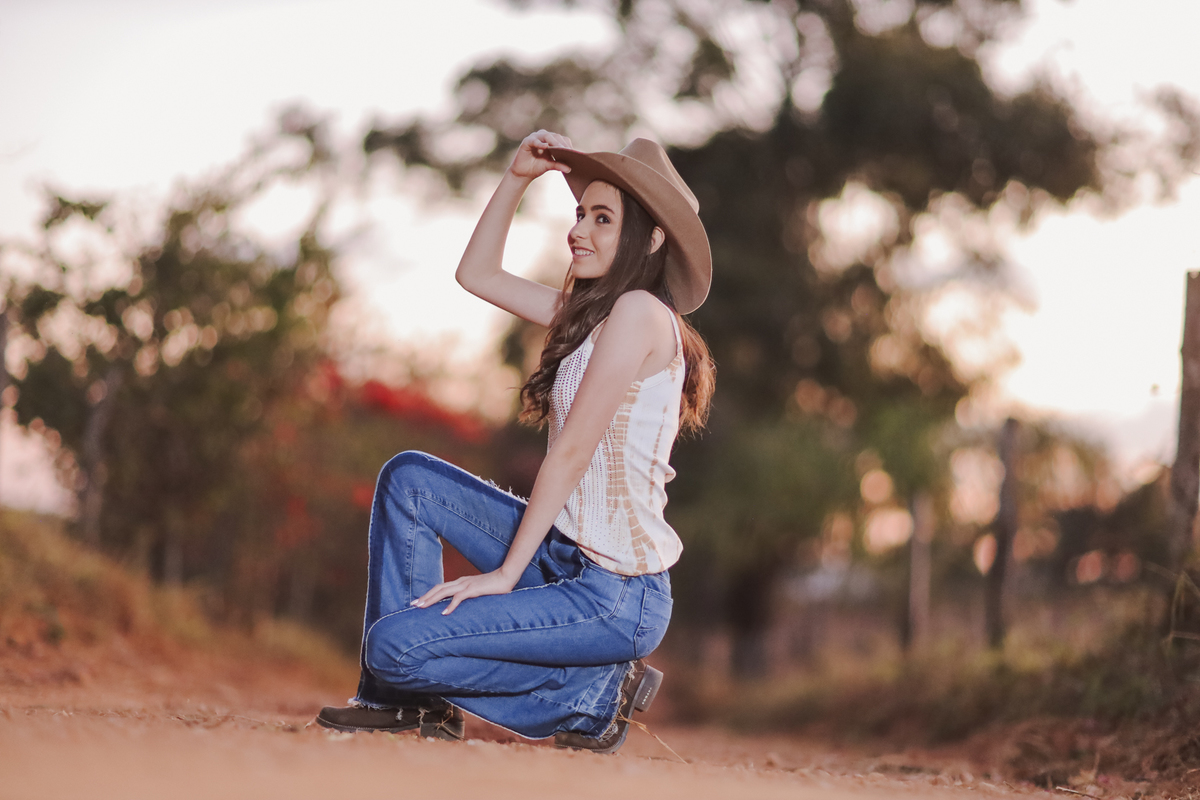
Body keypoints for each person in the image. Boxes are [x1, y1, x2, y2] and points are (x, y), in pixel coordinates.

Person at [315, 130, 714, 753]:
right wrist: (517, 177)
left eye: (602, 218)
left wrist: (504, 573)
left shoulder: (640, 313)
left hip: (615, 592)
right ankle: (403, 701)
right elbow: (476, 274)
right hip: (559, 553)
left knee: (392, 646)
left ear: (652, 237)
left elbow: (574, 449)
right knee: (410, 480)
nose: (578, 230)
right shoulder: (593, 314)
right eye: (580, 213)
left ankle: (590, 698)